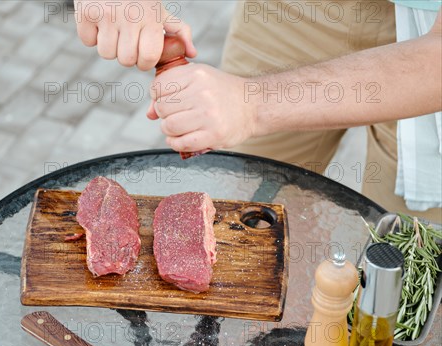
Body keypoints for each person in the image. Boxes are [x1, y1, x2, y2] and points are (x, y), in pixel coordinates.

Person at [74, 0, 442, 223]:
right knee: (245, 216)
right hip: (288, 11)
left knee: (405, 268)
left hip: (426, 33)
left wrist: (249, 104)